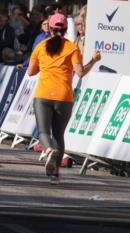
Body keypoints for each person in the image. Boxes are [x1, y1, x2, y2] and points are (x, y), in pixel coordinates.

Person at [26, 13, 101, 184]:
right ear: (67, 29)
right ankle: (55, 175)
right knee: (58, 134)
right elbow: (80, 72)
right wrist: (93, 60)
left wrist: (45, 66)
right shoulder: (72, 48)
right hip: (64, 96)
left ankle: (48, 150)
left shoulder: (40, 46)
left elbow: (30, 72)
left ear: (50, 29)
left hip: (43, 94)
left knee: (44, 132)